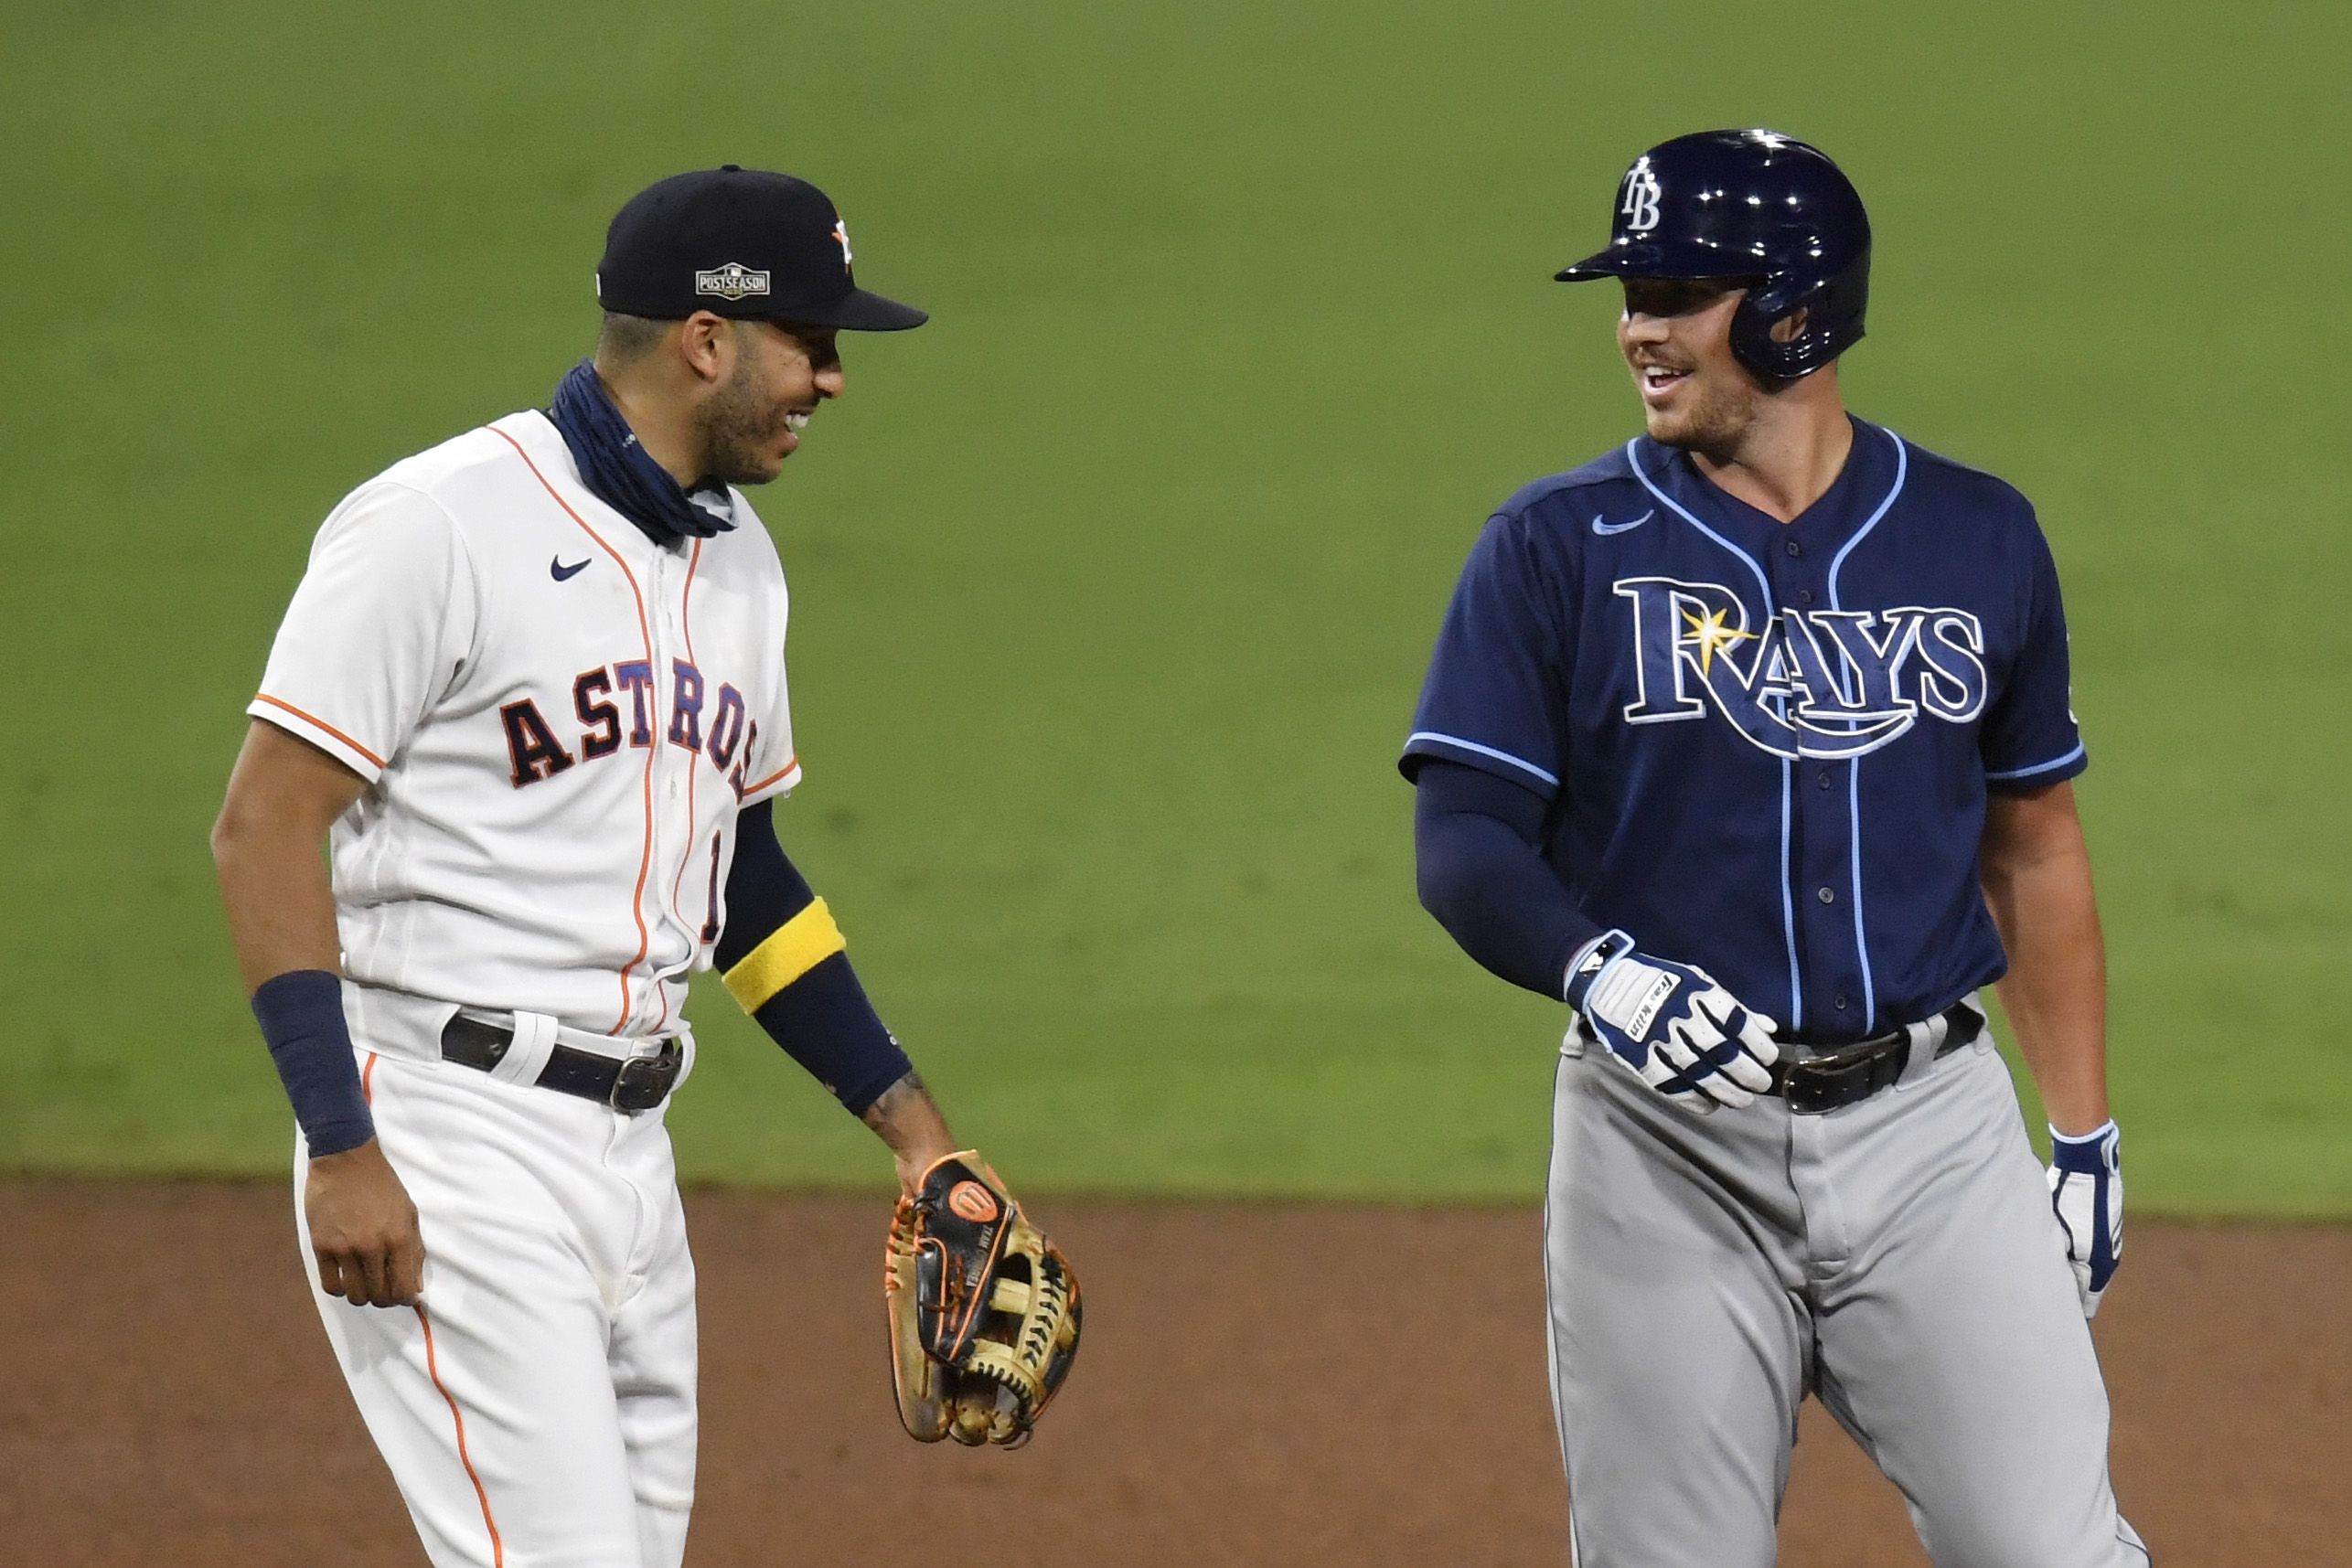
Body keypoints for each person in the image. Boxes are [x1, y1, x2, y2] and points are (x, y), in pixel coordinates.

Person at [211, 165, 1011, 1567]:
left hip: (634, 1164)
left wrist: (916, 1134)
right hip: (449, 1137)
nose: (834, 380)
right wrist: (342, 1146)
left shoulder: (739, 563)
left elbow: (743, 879)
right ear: (708, 339)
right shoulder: (438, 525)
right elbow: (265, 823)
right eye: (811, 344)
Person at [1401, 129, 2144, 1565]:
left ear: (1795, 308)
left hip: (1935, 1140)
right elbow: (1467, 839)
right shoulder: (1559, 546)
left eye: (1679, 290)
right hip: (1660, 1151)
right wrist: (1600, 975)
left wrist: (2085, 1136)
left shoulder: (1978, 536)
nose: (1638, 328)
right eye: (1632, 292)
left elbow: (2034, 844)